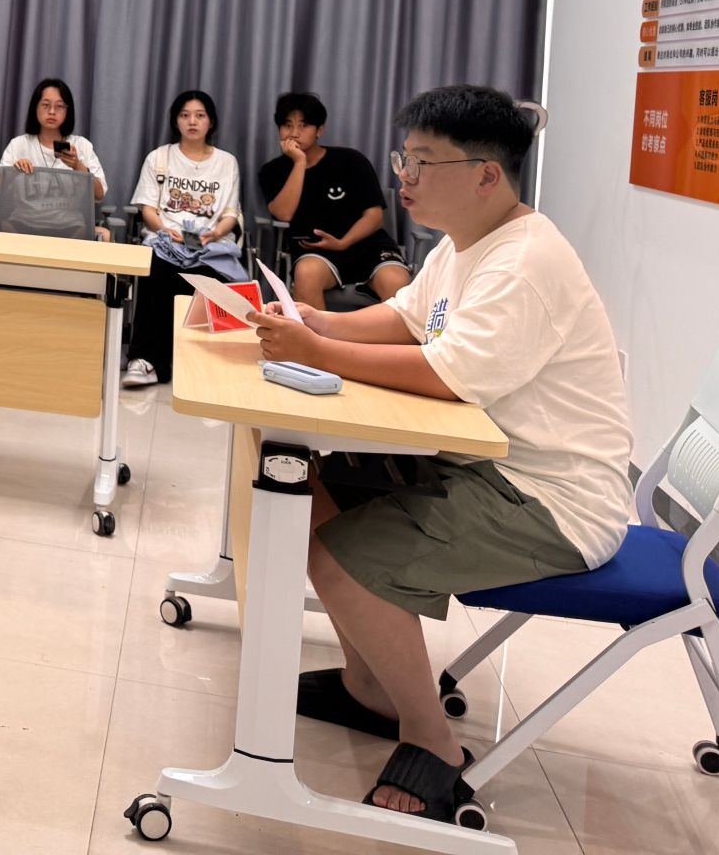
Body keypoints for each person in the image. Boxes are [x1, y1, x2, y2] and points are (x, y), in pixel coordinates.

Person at [251, 85, 632, 822]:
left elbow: (446, 374)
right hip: (485, 466)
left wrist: (317, 350)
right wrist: (310, 322)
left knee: (343, 554)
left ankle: (432, 739)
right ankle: (370, 688)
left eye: (423, 163)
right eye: (405, 159)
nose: (406, 177)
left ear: (487, 174)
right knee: (311, 486)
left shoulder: (524, 262)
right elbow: (404, 319)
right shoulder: (465, 244)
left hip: (549, 502)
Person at [125, 89, 244, 387]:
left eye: (199, 115)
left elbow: (231, 214)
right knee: (157, 270)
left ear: (211, 122)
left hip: (209, 244)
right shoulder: (159, 157)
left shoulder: (226, 162)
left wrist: (217, 233)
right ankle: (146, 361)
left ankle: (201, 367)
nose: (192, 121)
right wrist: (164, 230)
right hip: (166, 239)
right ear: (175, 121)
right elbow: (147, 208)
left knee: (211, 276)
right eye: (185, 115)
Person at [259, 91, 410, 309]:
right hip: (315, 250)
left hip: (367, 244)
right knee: (306, 274)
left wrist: (343, 243)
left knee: (396, 282)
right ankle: (314, 333)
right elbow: (284, 213)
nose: (294, 133)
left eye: (303, 125)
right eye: (287, 125)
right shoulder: (273, 170)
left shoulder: (351, 160)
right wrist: (299, 163)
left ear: (319, 130)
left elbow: (374, 216)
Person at [0, 78, 107, 201]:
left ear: (68, 111)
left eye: (59, 106)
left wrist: (78, 166)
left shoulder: (82, 145)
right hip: (24, 213)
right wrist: (13, 171)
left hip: (69, 214)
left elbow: (99, 194)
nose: (52, 112)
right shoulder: (19, 144)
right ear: (35, 108)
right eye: (46, 105)